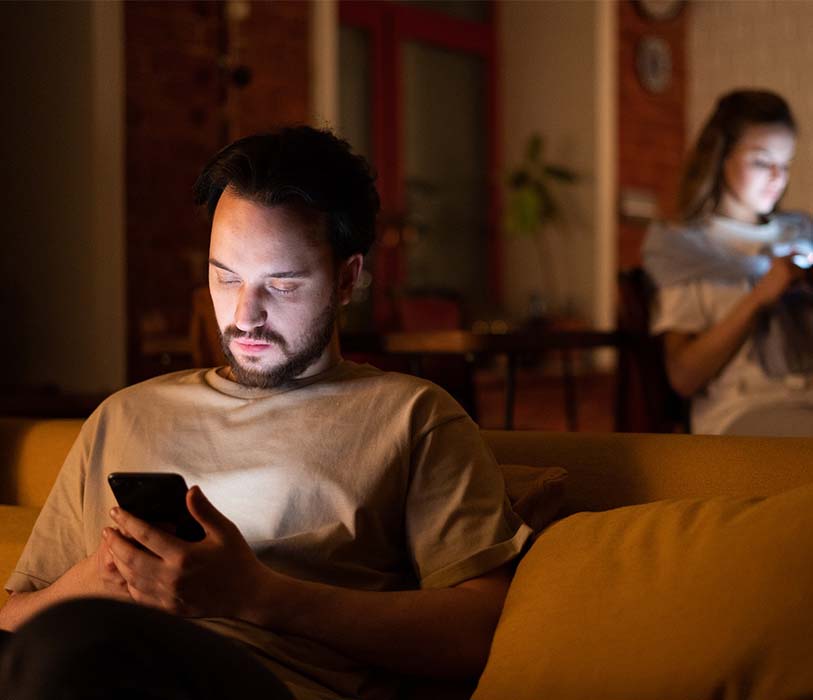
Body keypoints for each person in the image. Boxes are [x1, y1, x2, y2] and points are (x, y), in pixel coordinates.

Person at [0, 126, 532, 699]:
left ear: (348, 278)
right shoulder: (122, 415)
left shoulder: (413, 418)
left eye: (281, 284)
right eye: (225, 276)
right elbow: (13, 621)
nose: (244, 314)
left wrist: (256, 594)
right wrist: (98, 579)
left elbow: (477, 634)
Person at [643, 89, 813, 436]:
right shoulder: (688, 249)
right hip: (746, 413)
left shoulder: (801, 233)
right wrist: (759, 297)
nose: (777, 177)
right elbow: (683, 376)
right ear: (720, 156)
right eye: (762, 162)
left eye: (786, 164)